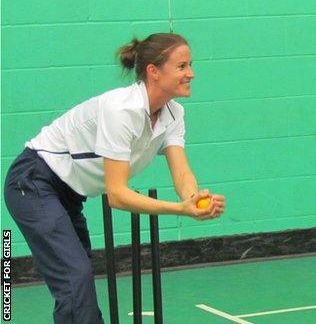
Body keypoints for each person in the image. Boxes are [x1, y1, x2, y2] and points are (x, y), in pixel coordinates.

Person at [3, 33, 226, 324]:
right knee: (74, 278)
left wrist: (192, 198)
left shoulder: (173, 113)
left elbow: (182, 172)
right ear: (153, 72)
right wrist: (178, 209)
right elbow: (118, 196)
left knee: (77, 282)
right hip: (32, 182)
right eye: (182, 66)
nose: (191, 73)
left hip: (68, 194)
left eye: (190, 65)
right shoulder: (121, 110)